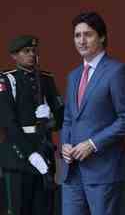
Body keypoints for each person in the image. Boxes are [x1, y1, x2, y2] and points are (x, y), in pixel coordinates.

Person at [61, 11, 125, 215]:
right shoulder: (73, 76)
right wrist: (65, 144)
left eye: (88, 34)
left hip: (104, 171)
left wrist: (93, 144)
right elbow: (69, 119)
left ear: (102, 36)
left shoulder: (117, 71)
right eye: (77, 35)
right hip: (72, 171)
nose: (82, 40)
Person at [0, 35, 64, 215]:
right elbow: (8, 123)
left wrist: (50, 117)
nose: (31, 54)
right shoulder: (7, 80)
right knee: (19, 209)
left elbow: (61, 119)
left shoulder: (46, 79)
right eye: (26, 51)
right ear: (14, 56)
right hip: (18, 157)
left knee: (44, 208)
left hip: (44, 153)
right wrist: (31, 154)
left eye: (34, 51)